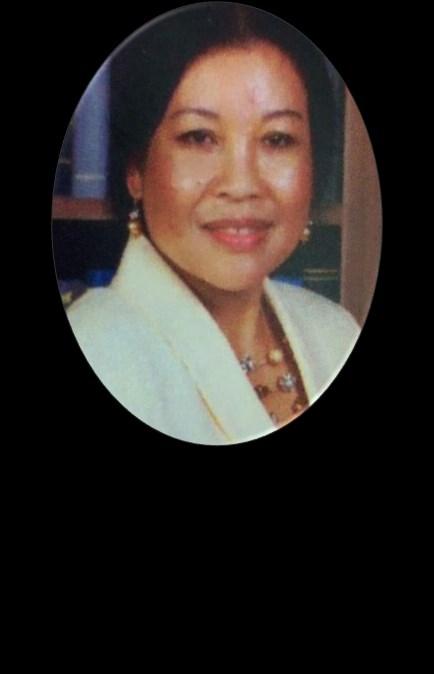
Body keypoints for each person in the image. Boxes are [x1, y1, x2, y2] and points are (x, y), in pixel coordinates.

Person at [65, 3, 360, 445]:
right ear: (135, 169)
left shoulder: (336, 332)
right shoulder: (101, 351)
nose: (241, 185)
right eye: (199, 137)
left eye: (277, 139)